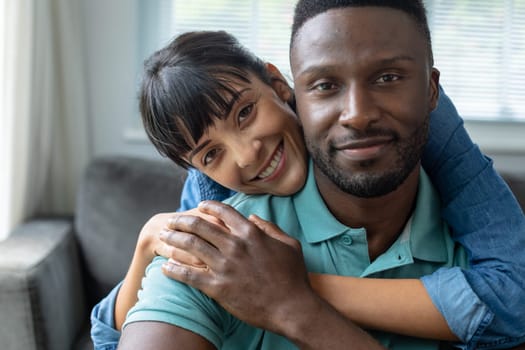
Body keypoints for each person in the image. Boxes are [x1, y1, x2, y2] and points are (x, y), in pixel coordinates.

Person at [93, 5, 525, 350]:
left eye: (246, 113)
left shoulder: (454, 213)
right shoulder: (223, 219)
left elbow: (514, 299)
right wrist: (146, 246)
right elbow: (118, 332)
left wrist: (291, 295)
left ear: (280, 88)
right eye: (324, 86)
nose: (248, 153)